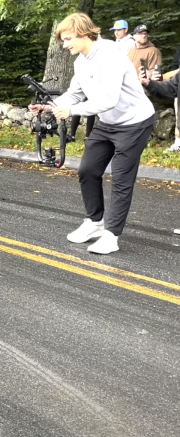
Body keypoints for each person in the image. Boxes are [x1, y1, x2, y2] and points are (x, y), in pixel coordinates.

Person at [31, 13, 155, 255]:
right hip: (108, 122)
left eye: (67, 39)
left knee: (121, 179)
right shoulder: (81, 61)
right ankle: (95, 223)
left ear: (84, 33)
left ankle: (111, 236)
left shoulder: (110, 55)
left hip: (135, 123)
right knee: (87, 170)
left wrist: (71, 111)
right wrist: (52, 106)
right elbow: (75, 94)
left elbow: (109, 99)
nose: (65, 44)